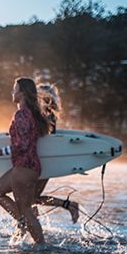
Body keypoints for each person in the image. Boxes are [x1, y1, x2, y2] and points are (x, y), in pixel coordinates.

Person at [0, 78, 52, 245]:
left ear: (22, 93)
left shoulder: (22, 114)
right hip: (25, 167)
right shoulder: (30, 113)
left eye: (15, 89)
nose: (12, 93)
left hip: (24, 167)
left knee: (27, 210)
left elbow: (22, 144)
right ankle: (21, 220)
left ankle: (41, 247)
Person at [33, 83, 79, 223]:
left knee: (30, 198)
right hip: (40, 159)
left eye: (37, 95)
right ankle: (30, 227)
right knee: (30, 198)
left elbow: (45, 140)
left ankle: (69, 205)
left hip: (43, 161)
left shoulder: (46, 115)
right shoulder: (46, 115)